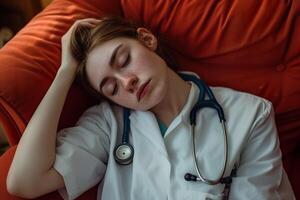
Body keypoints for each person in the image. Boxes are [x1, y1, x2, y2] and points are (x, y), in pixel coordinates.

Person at [6, 17, 295, 200]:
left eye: (124, 60)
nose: (127, 82)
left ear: (147, 40)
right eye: (111, 87)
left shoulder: (250, 114)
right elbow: (23, 182)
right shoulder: (109, 124)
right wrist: (65, 72)